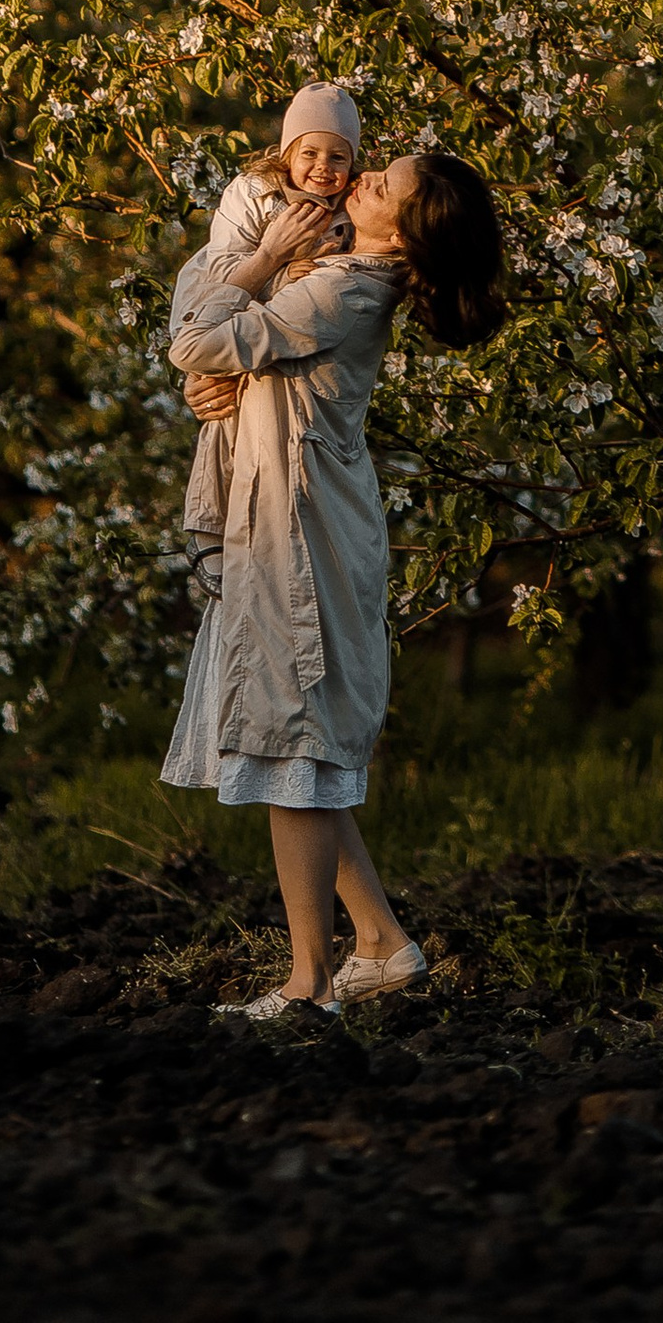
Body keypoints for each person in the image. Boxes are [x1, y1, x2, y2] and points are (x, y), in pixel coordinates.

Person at [162, 146, 505, 1014]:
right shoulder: (341, 271)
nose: (360, 181)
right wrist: (218, 385)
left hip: (301, 532)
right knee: (297, 749)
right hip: (294, 517)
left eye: (382, 186)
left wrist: (266, 256)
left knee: (291, 750)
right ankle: (382, 942)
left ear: (407, 237)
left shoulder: (341, 290)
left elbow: (195, 336)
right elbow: (220, 357)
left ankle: (309, 983)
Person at [170, 86, 361, 616]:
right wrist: (278, 267)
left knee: (239, 394)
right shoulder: (254, 192)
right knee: (219, 404)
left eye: (338, 156)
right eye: (309, 153)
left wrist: (303, 275)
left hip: (264, 319)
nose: (323, 167)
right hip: (216, 293)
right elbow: (224, 265)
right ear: (286, 152)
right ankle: (206, 521)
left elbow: (330, 279)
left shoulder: (347, 211)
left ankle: (230, 527)